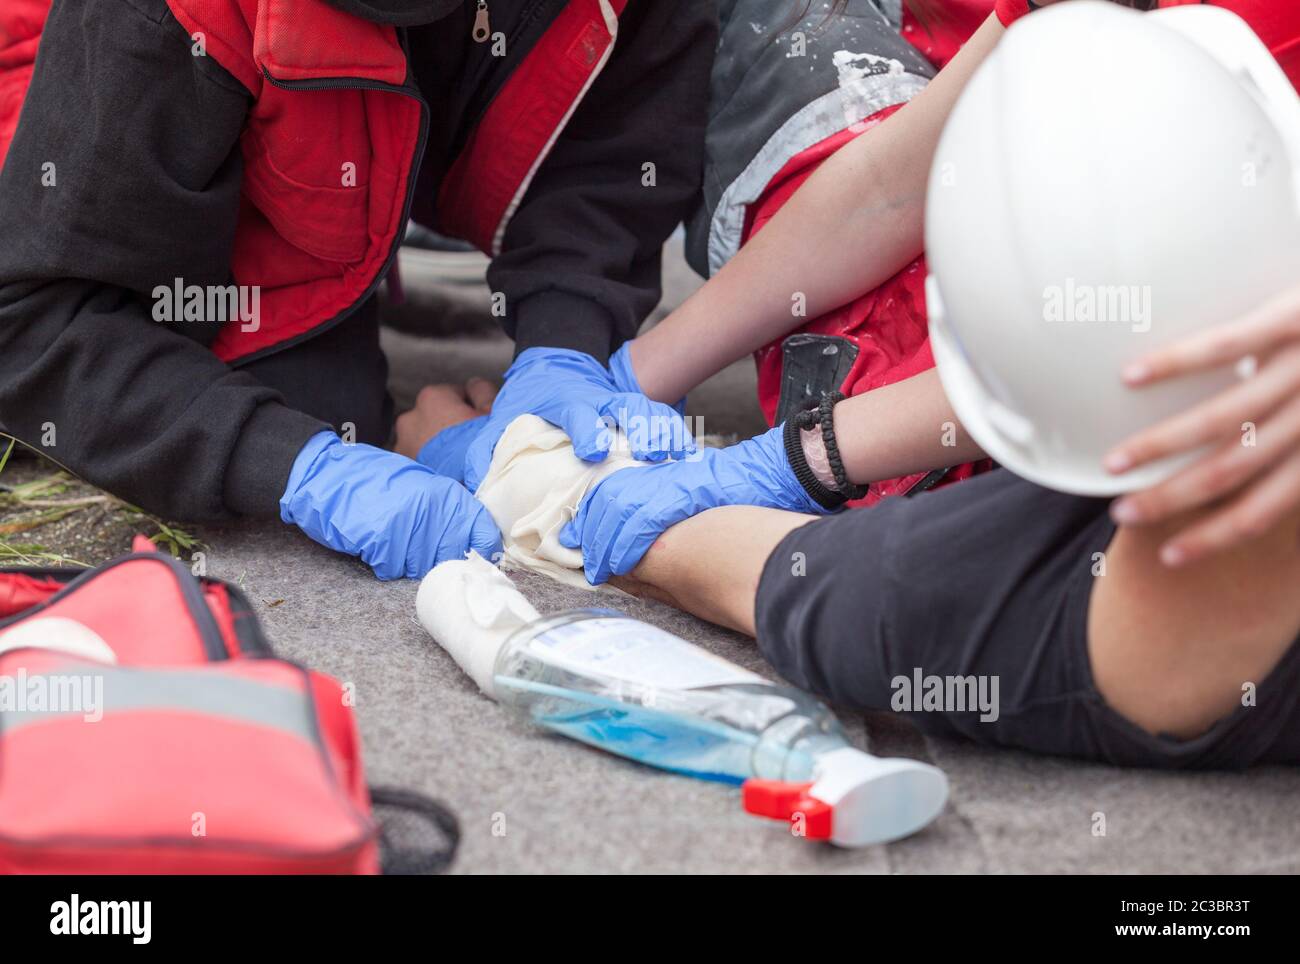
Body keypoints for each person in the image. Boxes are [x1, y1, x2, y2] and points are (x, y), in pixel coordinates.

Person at [416, 0, 1300, 769]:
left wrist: (549, 481)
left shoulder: (1139, 615)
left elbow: (804, 578)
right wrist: (635, 372)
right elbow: (893, 187)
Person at [0, 0, 712, 579]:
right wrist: (299, 466)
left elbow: (613, 153)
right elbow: (38, 321)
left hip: (341, 120)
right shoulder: (154, 23)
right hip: (85, 112)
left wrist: (566, 340)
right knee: (321, 411)